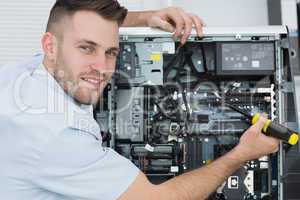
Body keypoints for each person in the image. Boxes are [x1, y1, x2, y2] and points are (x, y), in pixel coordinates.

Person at [0, 0, 279, 200]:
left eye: (111, 51)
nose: (102, 67)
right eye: (86, 48)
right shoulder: (58, 136)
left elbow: (89, 28)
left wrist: (145, 18)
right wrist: (241, 155)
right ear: (50, 45)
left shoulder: (27, 73)